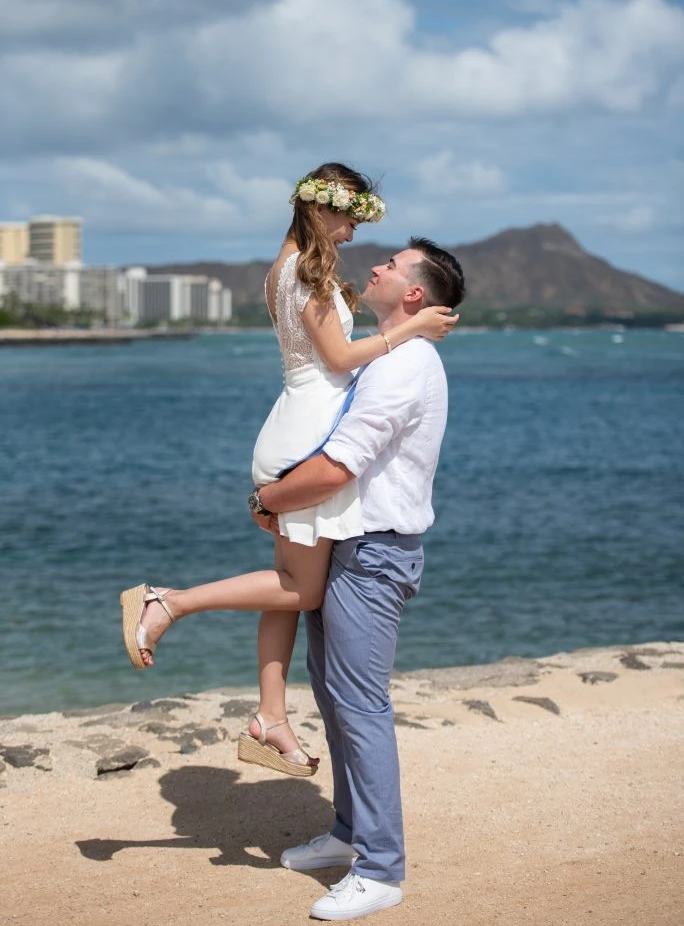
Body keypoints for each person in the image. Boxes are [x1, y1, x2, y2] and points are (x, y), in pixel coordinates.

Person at [120, 163, 458, 777]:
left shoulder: (284, 268)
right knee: (302, 588)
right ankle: (167, 602)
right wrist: (411, 328)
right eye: (351, 217)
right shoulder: (307, 271)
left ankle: (271, 717)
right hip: (306, 435)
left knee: (286, 581)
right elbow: (337, 356)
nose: (354, 233)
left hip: (295, 423)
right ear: (322, 207)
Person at [248, 237, 465, 921]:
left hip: (375, 554)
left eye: (394, 266)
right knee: (337, 698)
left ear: (415, 297)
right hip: (348, 545)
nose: (376, 265)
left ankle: (381, 868)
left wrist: (269, 500)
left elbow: (340, 466)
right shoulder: (383, 357)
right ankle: (348, 834)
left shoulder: (406, 367)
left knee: (361, 706)